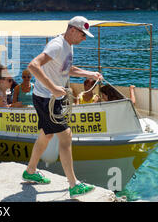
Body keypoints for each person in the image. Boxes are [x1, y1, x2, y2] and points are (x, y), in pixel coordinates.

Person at [23, 16, 103, 199]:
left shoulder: (69, 45)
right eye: (83, 35)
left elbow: (67, 68)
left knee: (46, 133)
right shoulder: (57, 45)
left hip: (48, 97)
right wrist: (53, 88)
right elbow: (33, 66)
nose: (84, 38)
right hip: (47, 97)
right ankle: (73, 185)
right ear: (73, 30)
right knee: (65, 136)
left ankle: (30, 170)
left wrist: (90, 73)